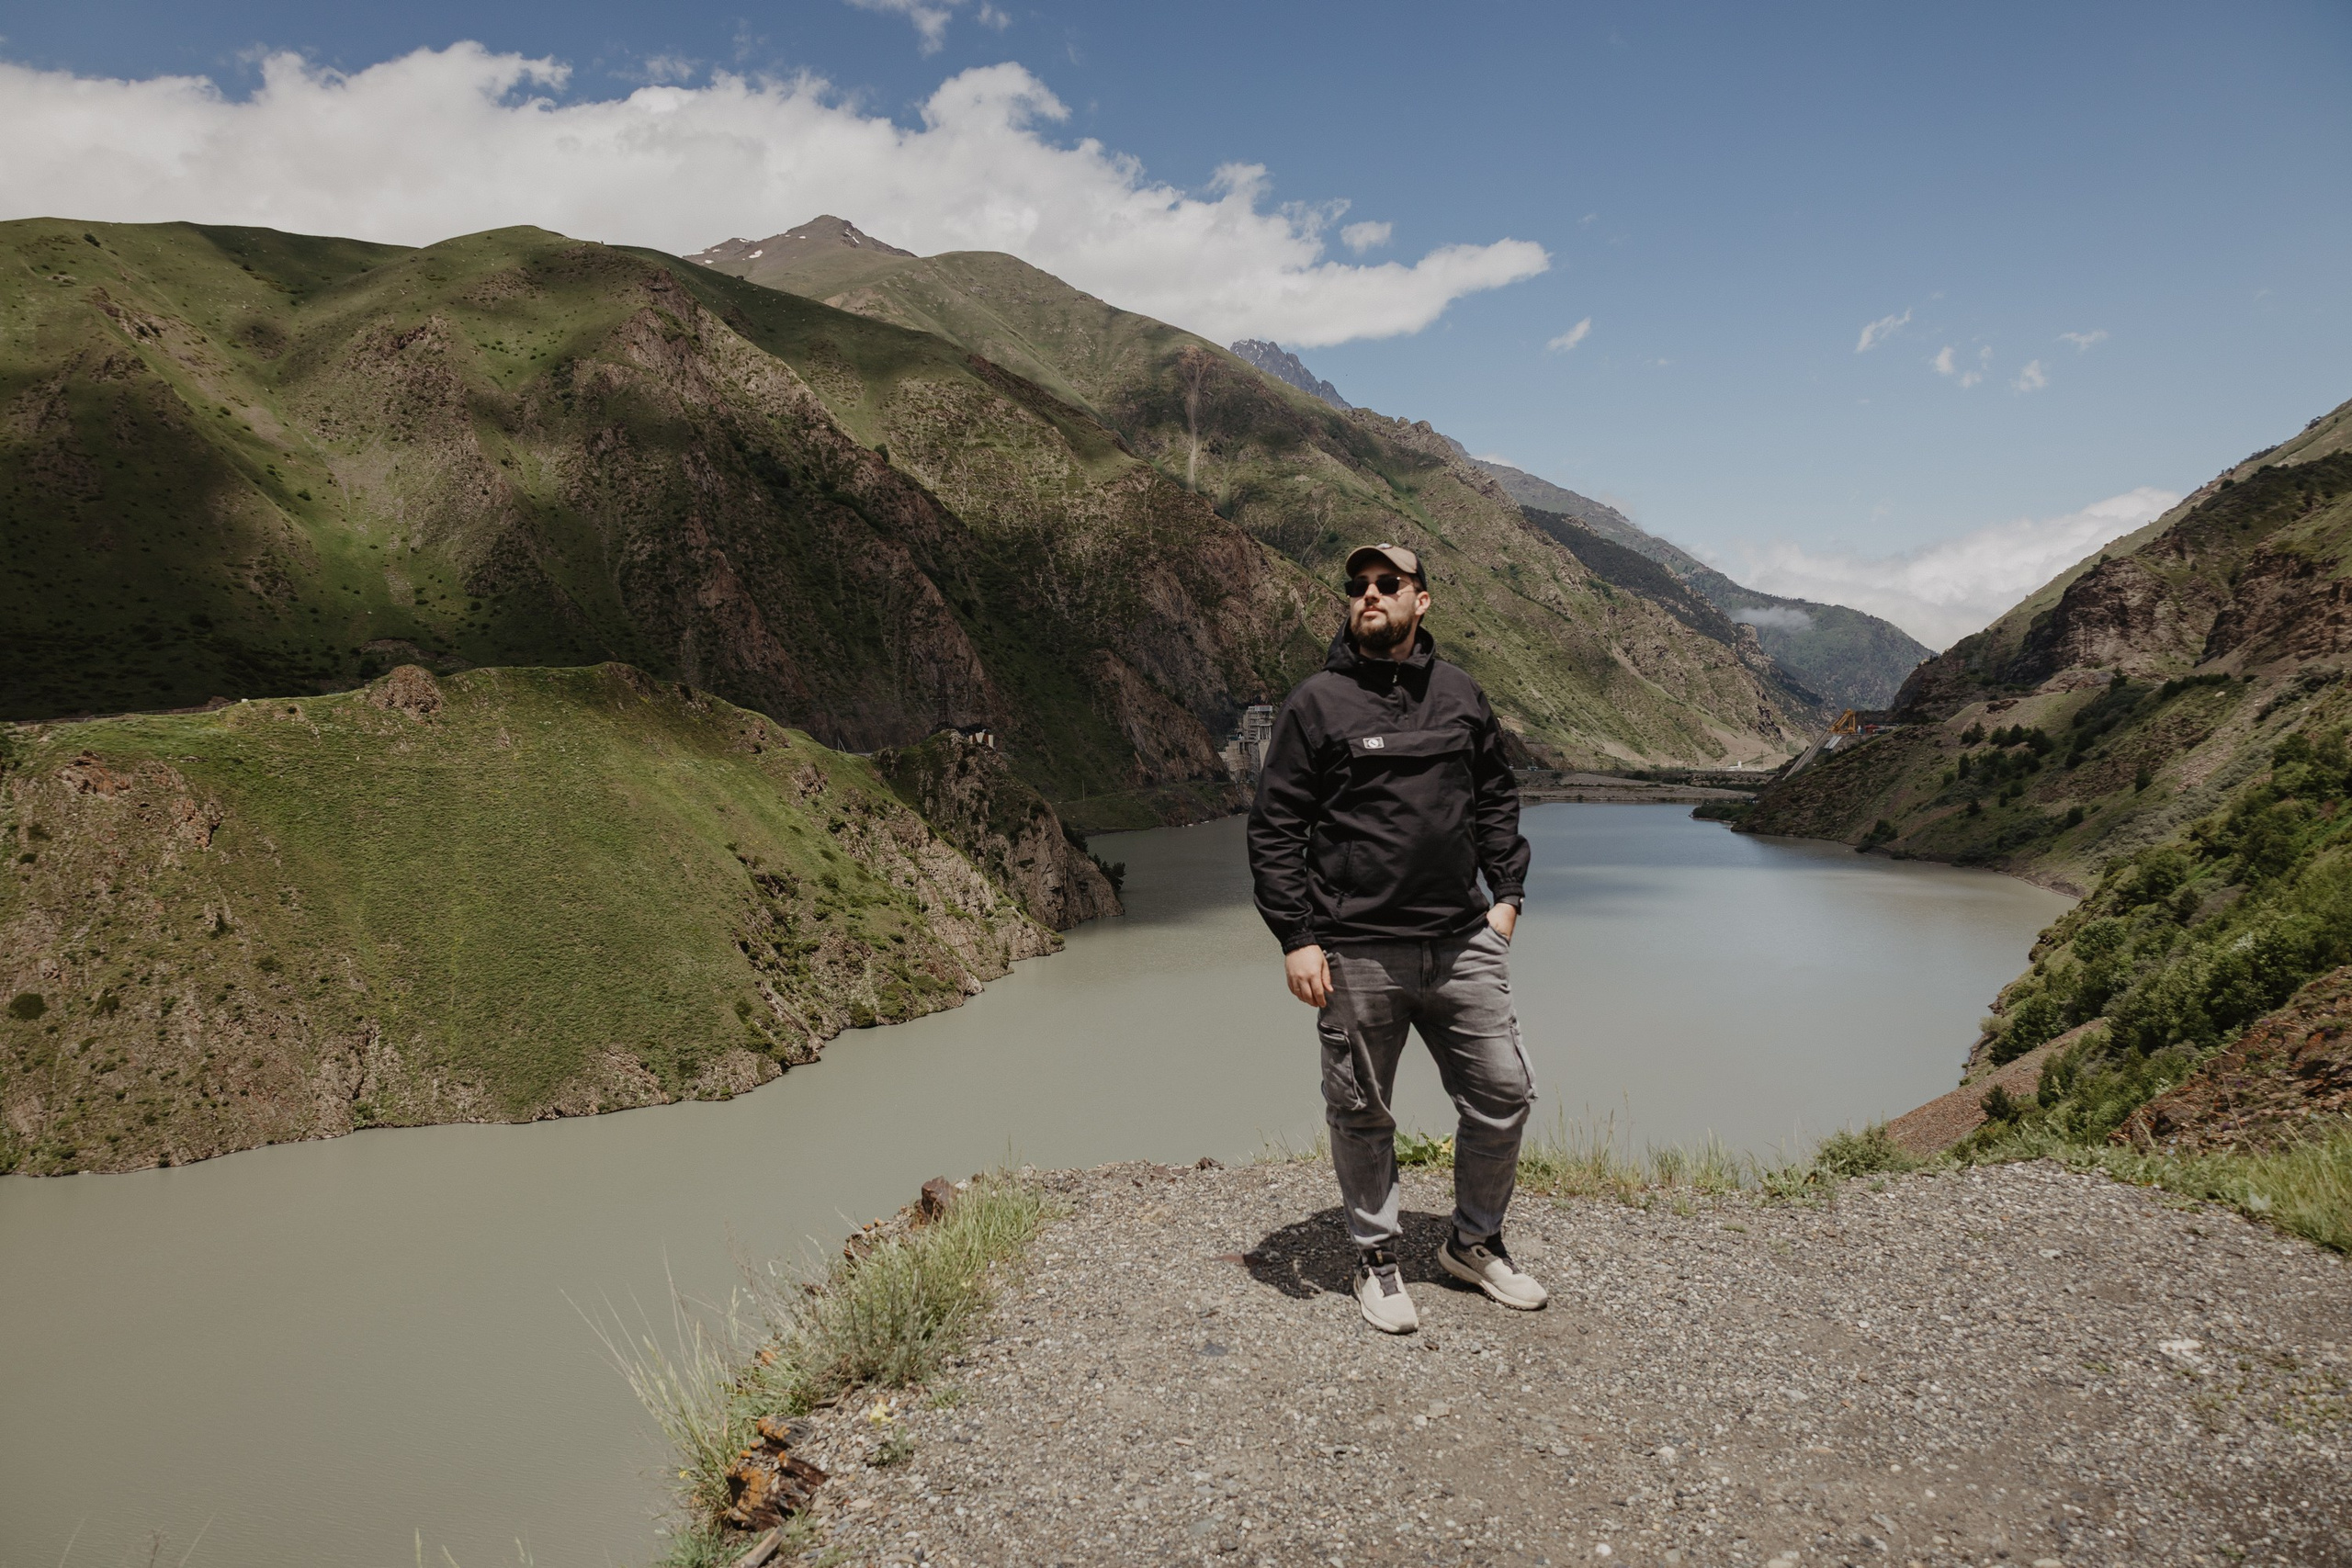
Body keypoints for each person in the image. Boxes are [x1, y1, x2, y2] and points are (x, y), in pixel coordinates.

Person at [1246, 542, 1548, 1334]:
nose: (1369, 595)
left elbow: (1494, 796)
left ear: (1422, 602)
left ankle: (1473, 1241)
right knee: (1361, 1109)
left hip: (1461, 940)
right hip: (1354, 950)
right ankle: (1376, 1258)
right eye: (1358, 587)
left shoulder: (1459, 694)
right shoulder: (1316, 702)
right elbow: (1276, 827)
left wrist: (1507, 893)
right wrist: (1296, 936)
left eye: (1388, 584)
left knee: (1503, 1092)